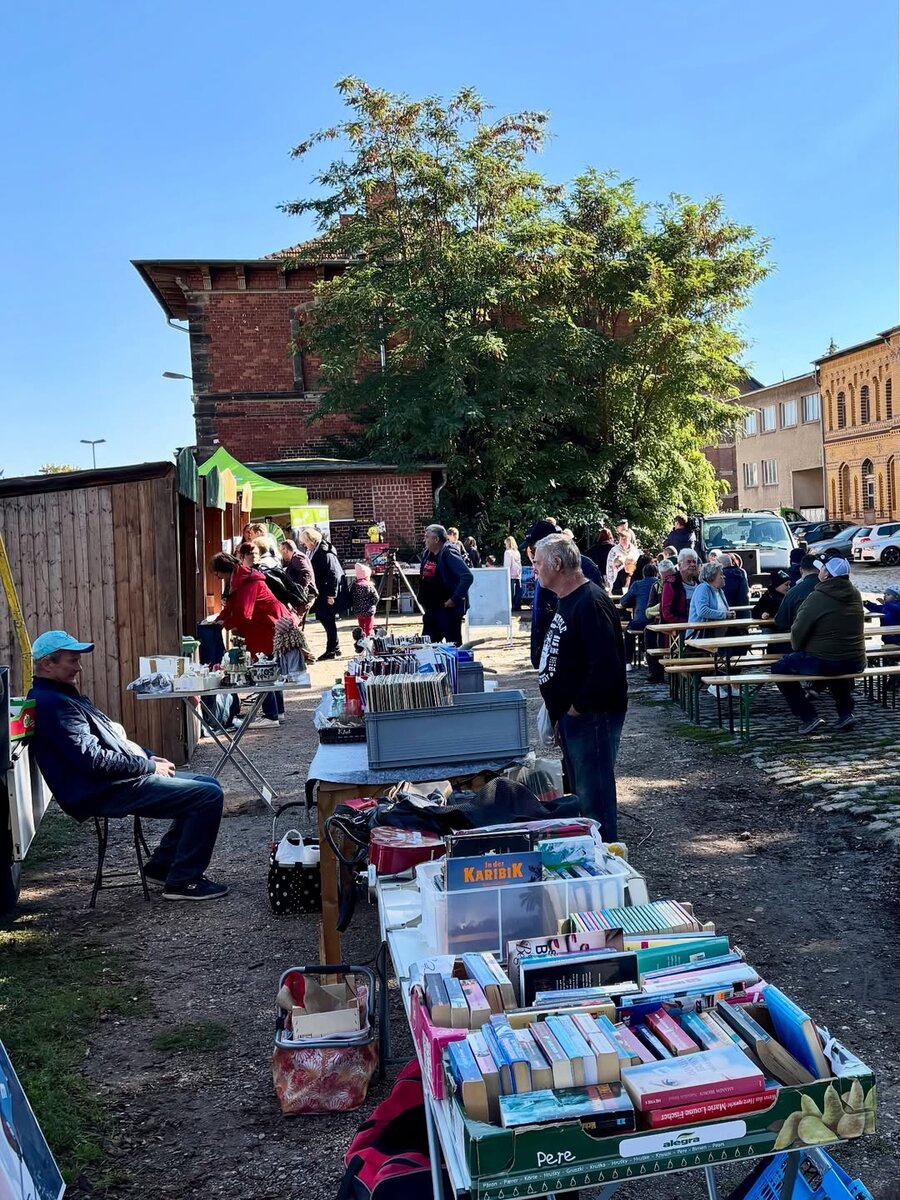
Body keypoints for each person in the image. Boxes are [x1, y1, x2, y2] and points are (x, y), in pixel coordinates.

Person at [27, 631, 227, 900]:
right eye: (72, 661)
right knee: (207, 796)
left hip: (116, 780)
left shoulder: (62, 695)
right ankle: (184, 881)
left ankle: (160, 868)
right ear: (47, 665)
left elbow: (109, 739)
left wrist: (147, 757)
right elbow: (94, 761)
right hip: (104, 789)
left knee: (207, 784)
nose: (79, 667)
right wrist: (146, 767)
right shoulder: (53, 704)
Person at [534, 534, 627, 841]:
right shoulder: (568, 599)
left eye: (537, 562)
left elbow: (606, 668)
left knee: (594, 800)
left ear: (556, 563)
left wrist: (576, 708)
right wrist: (561, 713)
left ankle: (608, 869)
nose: (533, 568)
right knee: (580, 799)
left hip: (592, 716)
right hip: (575, 718)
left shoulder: (590, 601)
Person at [770, 555, 866, 733]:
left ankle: (808, 715)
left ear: (826, 575)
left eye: (823, 568)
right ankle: (846, 713)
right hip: (855, 659)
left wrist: (797, 649)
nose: (819, 570)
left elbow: (798, 630)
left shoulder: (818, 597)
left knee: (779, 668)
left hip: (825, 659)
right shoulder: (855, 594)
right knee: (837, 664)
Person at [210, 551, 294, 721]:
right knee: (270, 670)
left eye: (218, 574)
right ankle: (278, 712)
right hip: (263, 626)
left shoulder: (246, 581)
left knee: (263, 671)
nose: (218, 577)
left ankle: (271, 715)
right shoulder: (241, 578)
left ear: (224, 570)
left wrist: (224, 624)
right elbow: (232, 606)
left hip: (265, 627)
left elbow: (243, 612)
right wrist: (219, 619)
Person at [524, 519, 603, 668]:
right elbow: (540, 615)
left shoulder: (587, 586)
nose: (533, 562)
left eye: (535, 553)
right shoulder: (546, 576)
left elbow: (599, 650)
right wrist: (539, 653)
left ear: (556, 561)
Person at [420, 524, 474, 644]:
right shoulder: (427, 553)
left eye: (427, 537)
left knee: (452, 646)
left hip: (447, 609)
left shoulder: (448, 552)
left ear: (436, 539)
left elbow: (467, 576)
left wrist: (454, 599)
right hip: (432, 609)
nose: (425, 540)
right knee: (427, 646)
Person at [301, 527, 343, 659]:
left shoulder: (325, 553)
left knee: (327, 620)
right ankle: (335, 647)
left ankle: (331, 650)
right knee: (326, 619)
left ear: (312, 541)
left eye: (305, 542)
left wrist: (331, 594)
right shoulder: (314, 551)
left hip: (326, 591)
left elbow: (333, 573)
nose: (304, 545)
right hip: (322, 590)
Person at [620, 563, 659, 670]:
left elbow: (624, 601)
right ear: (656, 573)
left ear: (643, 574)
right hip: (655, 621)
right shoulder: (659, 584)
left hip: (640, 621)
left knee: (628, 632)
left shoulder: (637, 584)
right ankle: (647, 658)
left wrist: (633, 602)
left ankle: (628, 662)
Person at [774, 554, 819, 634]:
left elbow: (781, 622)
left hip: (801, 640)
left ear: (801, 570)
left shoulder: (792, 593)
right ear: (820, 569)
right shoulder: (830, 589)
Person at [660, 550, 701, 624]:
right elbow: (667, 613)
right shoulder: (671, 583)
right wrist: (687, 622)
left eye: (694, 562)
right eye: (688, 562)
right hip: (680, 628)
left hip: (701, 625)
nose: (692, 564)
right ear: (679, 565)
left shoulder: (700, 583)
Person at [280, 539, 318, 612]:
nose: (281, 554)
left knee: (297, 619)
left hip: (304, 595)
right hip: (305, 594)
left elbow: (306, 573)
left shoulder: (297, 557)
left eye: (281, 551)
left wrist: (300, 590)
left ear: (285, 550)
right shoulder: (297, 557)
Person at [864, 583, 900, 648]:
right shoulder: (885, 607)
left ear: (896, 597)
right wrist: (867, 603)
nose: (885, 596)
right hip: (887, 638)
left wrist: (885, 603)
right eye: (884, 594)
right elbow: (877, 608)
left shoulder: (897, 606)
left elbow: (895, 609)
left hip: (897, 640)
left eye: (888, 594)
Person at [350, 562, 379, 637]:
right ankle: (368, 640)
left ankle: (361, 641)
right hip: (368, 610)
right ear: (367, 576)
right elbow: (376, 597)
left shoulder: (354, 586)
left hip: (358, 611)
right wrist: (372, 604)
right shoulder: (369, 586)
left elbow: (351, 596)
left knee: (361, 628)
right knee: (369, 628)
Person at [503, 535, 522, 608]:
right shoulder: (517, 552)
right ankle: (517, 606)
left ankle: (511, 606)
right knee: (518, 592)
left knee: (510, 592)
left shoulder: (507, 552)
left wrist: (505, 573)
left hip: (510, 574)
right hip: (518, 574)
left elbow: (507, 565)